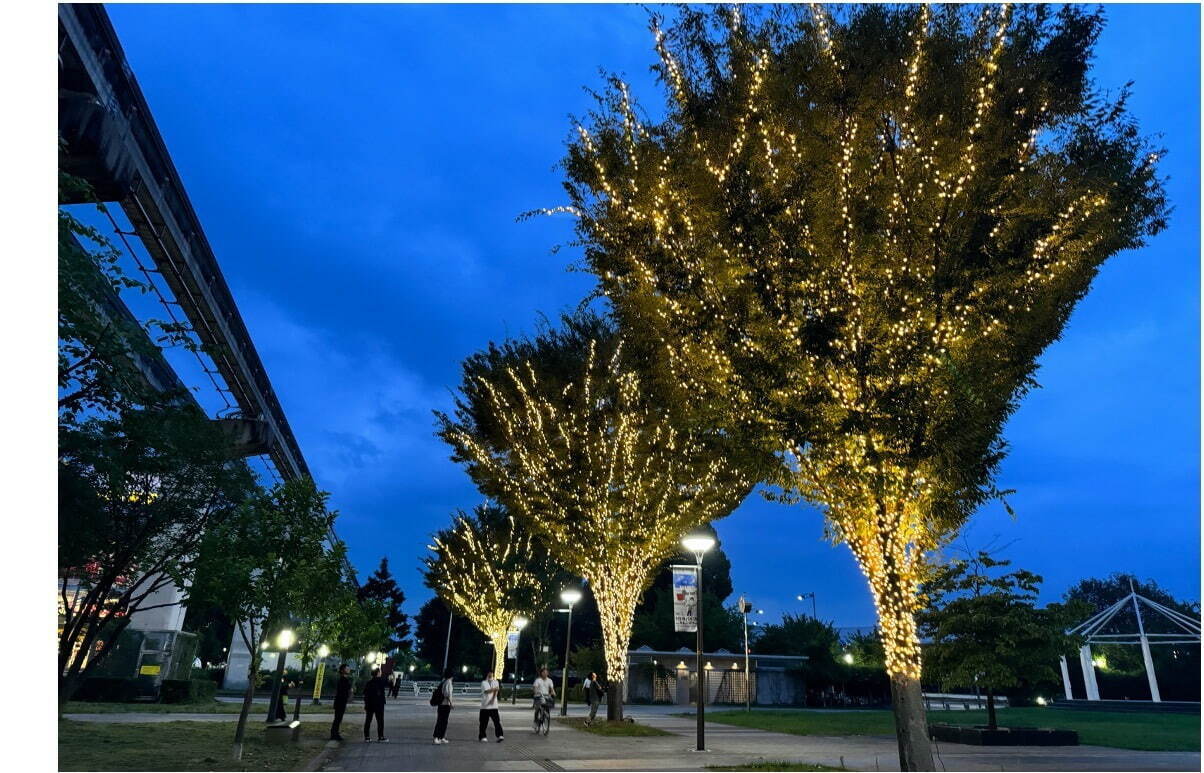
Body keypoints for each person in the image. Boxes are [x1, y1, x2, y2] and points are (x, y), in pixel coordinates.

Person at [478, 668, 504, 742]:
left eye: (491, 673)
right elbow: (486, 691)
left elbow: (496, 691)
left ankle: (500, 735)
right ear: (487, 674)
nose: (490, 674)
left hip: (494, 706)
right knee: (483, 722)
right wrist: (494, 689)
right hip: (485, 706)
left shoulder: (496, 682)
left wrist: (493, 699)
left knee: (497, 721)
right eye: (489, 673)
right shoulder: (483, 682)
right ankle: (482, 736)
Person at [363, 667, 389, 742]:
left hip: (370, 704)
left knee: (368, 720)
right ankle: (380, 737)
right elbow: (391, 683)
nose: (381, 673)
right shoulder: (381, 681)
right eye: (380, 672)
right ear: (378, 673)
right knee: (380, 721)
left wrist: (366, 704)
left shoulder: (369, 682)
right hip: (379, 704)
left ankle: (367, 737)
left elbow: (365, 693)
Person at [432, 667, 455, 745]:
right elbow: (447, 694)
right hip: (444, 704)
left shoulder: (444, 681)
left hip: (443, 704)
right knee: (441, 721)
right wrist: (451, 703)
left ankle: (441, 736)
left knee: (443, 721)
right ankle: (436, 737)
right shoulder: (448, 682)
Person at [329, 664, 352, 742]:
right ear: (343, 670)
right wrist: (349, 690)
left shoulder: (345, 679)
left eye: (348, 668)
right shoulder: (342, 680)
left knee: (338, 719)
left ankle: (335, 733)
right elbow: (342, 691)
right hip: (340, 702)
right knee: (337, 718)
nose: (349, 669)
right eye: (347, 668)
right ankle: (334, 734)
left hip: (342, 701)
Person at [532, 667, 556, 732]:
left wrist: (553, 692)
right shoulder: (538, 680)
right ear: (541, 673)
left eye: (546, 672)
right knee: (537, 709)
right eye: (544, 672)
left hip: (546, 696)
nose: (545, 673)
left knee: (547, 708)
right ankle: (535, 722)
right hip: (538, 696)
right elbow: (535, 688)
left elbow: (551, 689)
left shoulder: (550, 680)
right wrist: (536, 691)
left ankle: (546, 719)